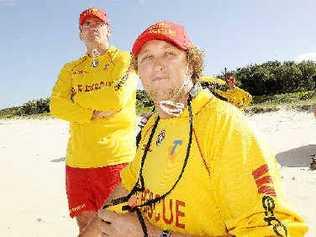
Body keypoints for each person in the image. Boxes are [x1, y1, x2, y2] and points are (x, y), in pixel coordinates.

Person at [81, 21, 308, 237]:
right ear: (138, 71)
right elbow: (127, 184)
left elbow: (269, 231)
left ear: (190, 64)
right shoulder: (152, 126)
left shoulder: (223, 125)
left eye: (169, 53)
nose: (157, 64)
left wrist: (151, 234)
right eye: (147, 57)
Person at [49, 7, 136, 235]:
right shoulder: (70, 69)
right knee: (86, 226)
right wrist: (91, 113)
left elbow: (115, 98)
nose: (92, 28)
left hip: (116, 159)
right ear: (80, 33)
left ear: (108, 29)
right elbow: (56, 105)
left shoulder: (124, 59)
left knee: (118, 227)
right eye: (86, 24)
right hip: (78, 162)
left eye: (98, 23)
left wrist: (76, 100)